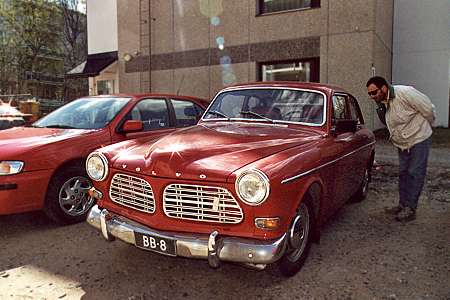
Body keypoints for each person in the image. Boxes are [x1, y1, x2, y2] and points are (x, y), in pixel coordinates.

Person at [366, 76, 435, 222]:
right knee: (403, 173)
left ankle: (411, 208)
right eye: (370, 94)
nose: (372, 96)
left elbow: (428, 108)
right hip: (402, 143)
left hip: (419, 138)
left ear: (384, 88)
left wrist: (425, 127)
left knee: (414, 172)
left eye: (374, 92)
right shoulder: (382, 103)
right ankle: (403, 205)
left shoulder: (405, 93)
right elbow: (388, 123)